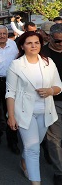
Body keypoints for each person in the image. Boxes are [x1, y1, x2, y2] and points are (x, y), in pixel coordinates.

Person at [6, 31, 62, 185]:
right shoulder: (16, 65)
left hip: (46, 112)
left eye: (37, 42)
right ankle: (36, 182)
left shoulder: (48, 62)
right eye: (29, 43)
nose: (33, 46)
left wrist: (51, 91)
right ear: (22, 46)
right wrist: (11, 116)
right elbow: (10, 92)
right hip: (25, 113)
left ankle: (23, 159)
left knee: (34, 144)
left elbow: (59, 85)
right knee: (33, 149)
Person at [0, 25, 19, 154]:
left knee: (11, 112)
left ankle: (12, 141)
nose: (2, 36)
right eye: (0, 34)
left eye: (4, 34)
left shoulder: (13, 45)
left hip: (11, 82)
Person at [42, 23, 62, 184]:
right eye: (58, 41)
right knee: (54, 138)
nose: (61, 44)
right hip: (52, 102)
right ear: (49, 38)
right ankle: (59, 171)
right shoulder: (42, 54)